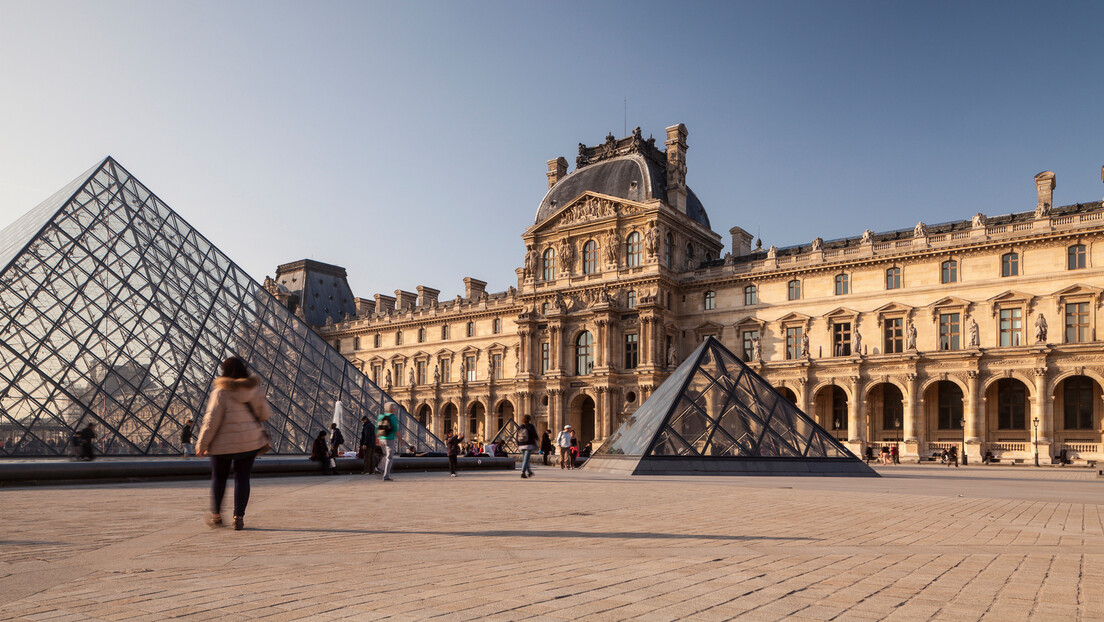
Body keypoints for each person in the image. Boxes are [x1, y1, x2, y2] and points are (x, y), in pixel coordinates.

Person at [195, 356, 272, 531]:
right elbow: (265, 414)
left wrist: (202, 443)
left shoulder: (220, 391)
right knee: (242, 479)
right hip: (249, 442)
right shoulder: (255, 390)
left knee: (219, 478)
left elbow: (211, 420)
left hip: (223, 444)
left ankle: (216, 515)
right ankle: (238, 517)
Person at [376, 402, 399, 481]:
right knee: (389, 457)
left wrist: (377, 439)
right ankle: (385, 475)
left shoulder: (381, 416)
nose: (395, 409)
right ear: (391, 409)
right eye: (394, 408)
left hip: (382, 439)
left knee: (385, 455)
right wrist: (401, 439)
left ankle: (380, 468)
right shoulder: (392, 417)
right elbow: (396, 429)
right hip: (389, 439)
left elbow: (377, 429)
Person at [516, 414, 539, 479]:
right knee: (526, 459)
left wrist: (518, 444)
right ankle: (522, 473)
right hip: (528, 445)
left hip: (521, 445)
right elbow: (534, 435)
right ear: (529, 420)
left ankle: (529, 472)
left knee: (525, 459)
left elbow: (517, 437)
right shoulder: (531, 426)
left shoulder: (520, 427)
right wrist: (537, 440)